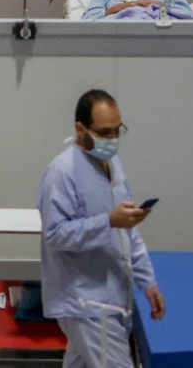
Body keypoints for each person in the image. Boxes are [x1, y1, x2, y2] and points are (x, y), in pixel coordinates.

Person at [39, 89, 165, 368]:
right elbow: (55, 235)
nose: (112, 139)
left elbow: (128, 232)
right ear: (80, 128)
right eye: (104, 132)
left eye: (117, 131)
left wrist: (148, 281)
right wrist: (108, 220)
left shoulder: (113, 165)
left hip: (112, 296)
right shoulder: (62, 172)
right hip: (86, 304)